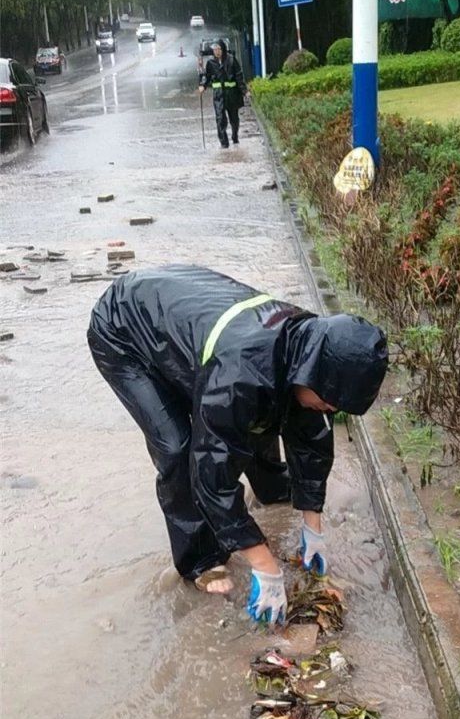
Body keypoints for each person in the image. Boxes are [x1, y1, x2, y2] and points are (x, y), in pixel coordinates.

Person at [87, 265, 388, 624]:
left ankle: (272, 488)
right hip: (124, 330)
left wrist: (313, 524)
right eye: (329, 399)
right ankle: (200, 560)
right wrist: (264, 566)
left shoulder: (307, 347)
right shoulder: (239, 375)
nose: (331, 408)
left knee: (271, 409)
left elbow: (311, 440)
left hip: (187, 320)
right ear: (314, 371)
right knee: (180, 448)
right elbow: (211, 469)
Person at [198, 37, 246, 149]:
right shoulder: (210, 63)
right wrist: (203, 86)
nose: (217, 51)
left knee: (234, 119)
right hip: (219, 96)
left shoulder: (231, 60)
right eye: (215, 49)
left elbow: (239, 76)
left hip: (232, 95)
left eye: (219, 49)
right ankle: (224, 143)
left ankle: (235, 136)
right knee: (220, 119)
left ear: (223, 49)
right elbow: (207, 77)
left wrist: (244, 90)